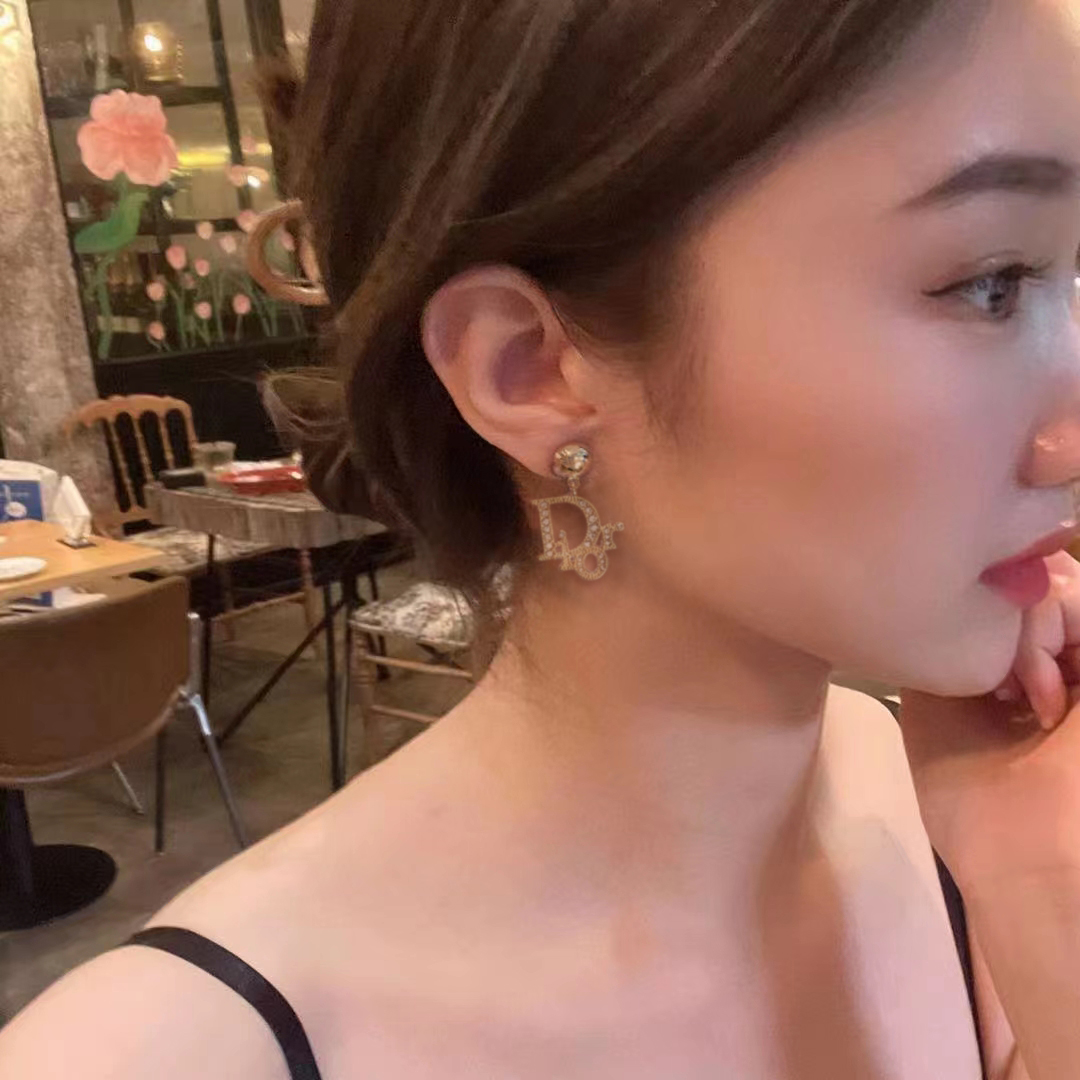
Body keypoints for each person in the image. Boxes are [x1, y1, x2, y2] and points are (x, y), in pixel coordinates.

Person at [6, 0, 1080, 1076]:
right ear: (528, 367)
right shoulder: (166, 1054)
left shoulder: (971, 822)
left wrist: (1045, 907)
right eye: (991, 284)